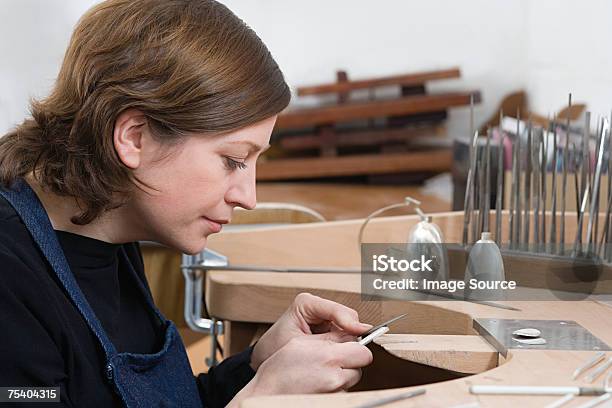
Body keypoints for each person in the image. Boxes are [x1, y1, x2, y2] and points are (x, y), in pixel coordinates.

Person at [0, 0, 373, 407]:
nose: (248, 197)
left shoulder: (111, 227)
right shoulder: (10, 277)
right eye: (232, 160)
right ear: (134, 137)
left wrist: (256, 368)